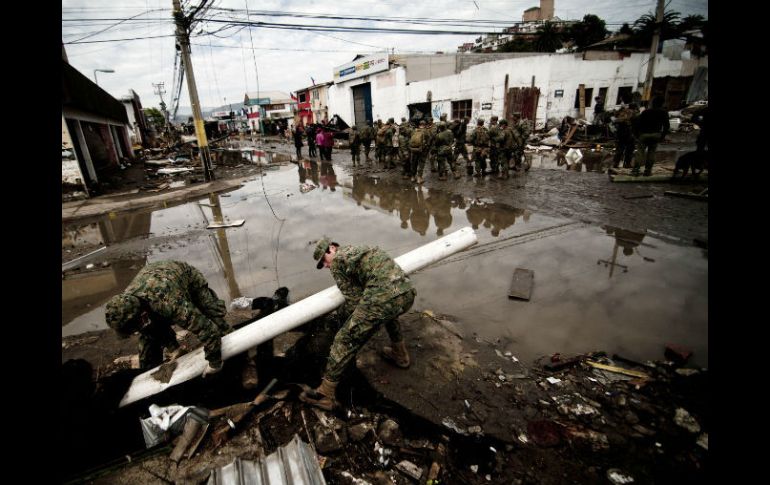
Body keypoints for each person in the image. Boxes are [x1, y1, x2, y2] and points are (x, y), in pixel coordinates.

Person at [299, 238, 416, 411]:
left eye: (324, 260)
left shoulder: (338, 261)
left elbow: (353, 302)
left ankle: (325, 395)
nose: (325, 265)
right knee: (389, 315)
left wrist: (340, 317)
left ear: (332, 248)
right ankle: (400, 355)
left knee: (343, 340)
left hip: (383, 298)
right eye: (322, 264)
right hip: (407, 294)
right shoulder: (361, 249)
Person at [104, 260, 229, 376]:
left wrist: (215, 364)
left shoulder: (169, 303)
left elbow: (207, 330)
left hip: (185, 277)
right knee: (148, 350)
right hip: (154, 282)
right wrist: (174, 348)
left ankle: (236, 348)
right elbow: (151, 330)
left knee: (214, 319)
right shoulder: (126, 304)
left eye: (134, 329)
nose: (134, 333)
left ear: (142, 316)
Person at [632, 97, 669, 176]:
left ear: (653, 103)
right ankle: (647, 171)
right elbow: (666, 126)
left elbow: (637, 123)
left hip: (644, 134)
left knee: (640, 152)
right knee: (651, 152)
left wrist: (637, 135)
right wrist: (662, 136)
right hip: (656, 134)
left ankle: (635, 170)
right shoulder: (663, 112)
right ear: (662, 104)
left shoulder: (646, 112)